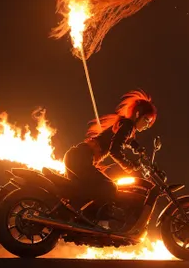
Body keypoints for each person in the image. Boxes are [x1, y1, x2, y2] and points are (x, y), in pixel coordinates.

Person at [63, 89, 157, 219]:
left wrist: (139, 150)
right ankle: (87, 221)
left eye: (150, 122)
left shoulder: (126, 125)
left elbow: (125, 140)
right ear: (137, 114)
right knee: (110, 188)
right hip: (81, 159)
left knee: (85, 192)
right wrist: (128, 166)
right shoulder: (128, 126)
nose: (147, 125)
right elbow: (115, 150)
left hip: (76, 157)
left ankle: (72, 216)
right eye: (147, 120)